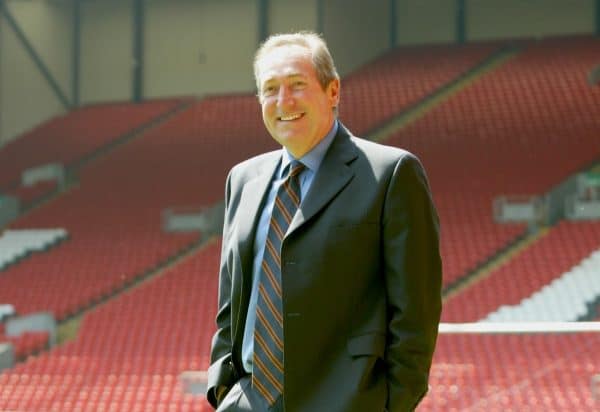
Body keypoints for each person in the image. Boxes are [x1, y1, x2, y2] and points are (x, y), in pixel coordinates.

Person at [207, 31, 442, 412]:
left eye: (297, 85)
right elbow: (229, 308)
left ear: (333, 92)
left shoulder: (390, 174)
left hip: (345, 403)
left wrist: (388, 405)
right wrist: (223, 389)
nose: (283, 101)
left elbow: (416, 313)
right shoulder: (243, 179)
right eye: (270, 89)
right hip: (248, 401)